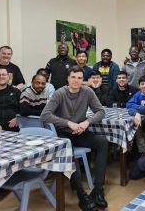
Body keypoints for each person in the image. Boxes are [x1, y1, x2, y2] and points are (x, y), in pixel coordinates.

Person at [40, 65, 108, 211]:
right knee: (68, 149)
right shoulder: (59, 93)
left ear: (83, 80)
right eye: (73, 77)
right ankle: (81, 194)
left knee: (102, 142)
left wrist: (86, 122)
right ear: (68, 78)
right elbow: (44, 115)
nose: (76, 81)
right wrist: (68, 123)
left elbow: (101, 112)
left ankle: (98, 190)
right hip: (63, 134)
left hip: (80, 132)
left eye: (79, 78)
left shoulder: (88, 91)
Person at [126, 75, 145, 155]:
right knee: (129, 126)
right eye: (142, 84)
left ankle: (141, 151)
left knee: (138, 127)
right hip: (140, 119)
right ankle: (128, 152)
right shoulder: (138, 94)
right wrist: (141, 106)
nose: (144, 86)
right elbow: (129, 104)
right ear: (139, 85)